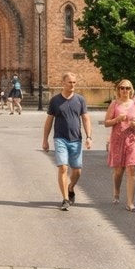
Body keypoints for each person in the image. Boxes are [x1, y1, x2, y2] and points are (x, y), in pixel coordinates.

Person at [42, 72, 93, 212]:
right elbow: (49, 122)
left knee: (77, 171)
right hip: (60, 138)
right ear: (63, 83)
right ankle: (65, 199)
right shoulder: (55, 101)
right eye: (70, 82)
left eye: (74, 82)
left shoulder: (80, 100)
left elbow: (86, 119)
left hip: (76, 139)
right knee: (63, 167)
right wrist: (45, 140)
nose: (72, 85)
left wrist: (89, 137)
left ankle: (70, 188)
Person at [102, 79, 135, 211]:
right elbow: (106, 122)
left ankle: (130, 203)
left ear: (131, 90)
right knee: (119, 171)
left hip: (133, 139)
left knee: (131, 169)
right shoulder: (114, 104)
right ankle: (117, 191)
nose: (125, 90)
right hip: (118, 140)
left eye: (127, 88)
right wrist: (117, 119)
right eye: (122, 88)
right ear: (118, 90)